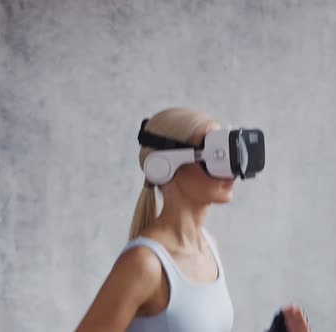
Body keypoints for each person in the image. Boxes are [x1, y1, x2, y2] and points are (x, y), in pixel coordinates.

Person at [75, 108, 310, 332]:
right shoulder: (145, 264)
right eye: (217, 155)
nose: (232, 171)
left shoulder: (209, 246)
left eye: (232, 155)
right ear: (164, 166)